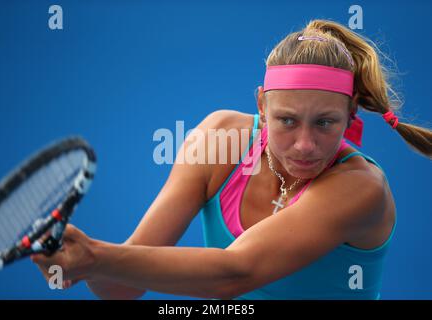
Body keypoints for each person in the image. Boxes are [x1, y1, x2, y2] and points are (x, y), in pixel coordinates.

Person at [31, 19, 432, 300]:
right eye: (287, 120)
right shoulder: (221, 137)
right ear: (261, 104)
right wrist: (85, 266)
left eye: (325, 123)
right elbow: (121, 288)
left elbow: (232, 275)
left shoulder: (361, 187)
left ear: (351, 113)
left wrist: (96, 257)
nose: (305, 145)